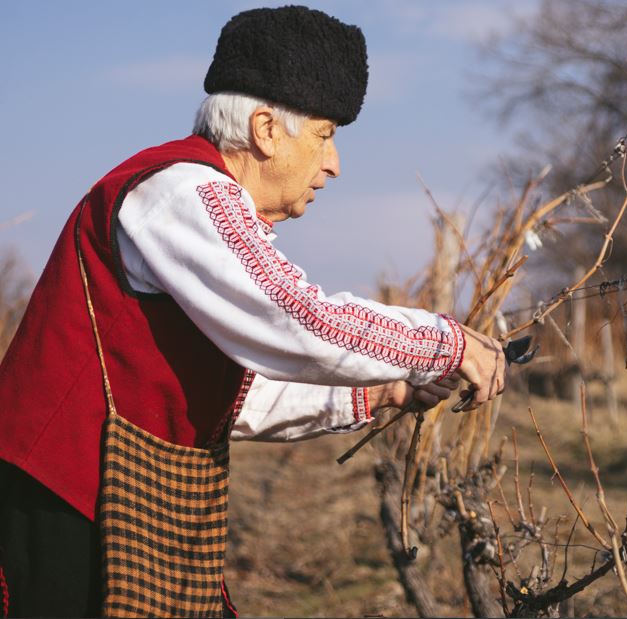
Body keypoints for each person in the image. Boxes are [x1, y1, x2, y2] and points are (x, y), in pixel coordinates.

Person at [0, 6, 505, 617]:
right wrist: (444, 343)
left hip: (125, 497)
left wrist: (382, 393)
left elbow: (230, 396)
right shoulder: (183, 191)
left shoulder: (202, 203)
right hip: (60, 505)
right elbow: (296, 318)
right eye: (324, 134)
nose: (334, 164)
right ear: (266, 130)